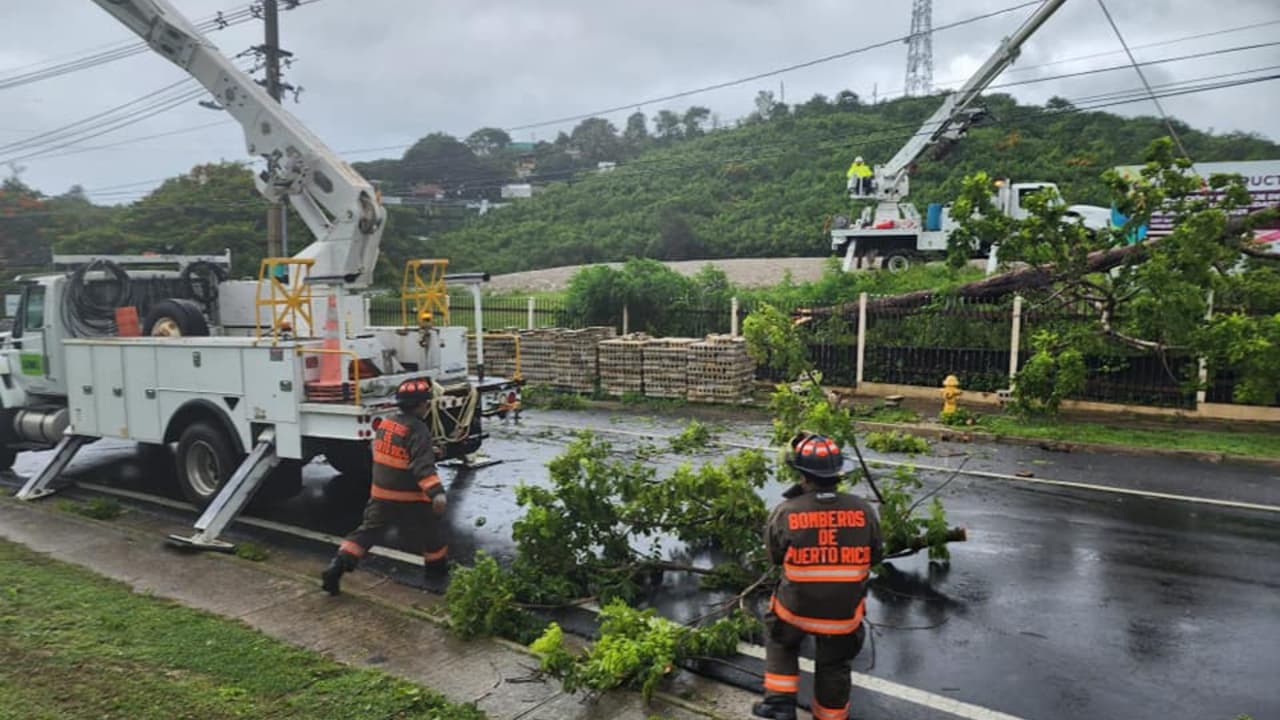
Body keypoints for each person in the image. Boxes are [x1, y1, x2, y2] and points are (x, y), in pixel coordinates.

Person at [753, 432, 883, 720]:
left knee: (779, 634)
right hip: (843, 617)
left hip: (795, 611)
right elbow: (876, 556)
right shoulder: (864, 511)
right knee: (835, 663)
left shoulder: (786, 512)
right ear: (839, 473)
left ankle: (779, 704)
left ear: (802, 475)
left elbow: (775, 557)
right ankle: (830, 717)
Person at [321, 377, 448, 595]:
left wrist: (429, 451)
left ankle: (337, 566)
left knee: (367, 533)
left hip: (380, 494)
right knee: (432, 532)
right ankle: (437, 575)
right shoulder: (418, 429)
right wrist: (437, 494)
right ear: (419, 405)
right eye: (426, 402)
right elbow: (422, 468)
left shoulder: (387, 423)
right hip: (409, 496)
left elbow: (394, 452)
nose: (427, 406)